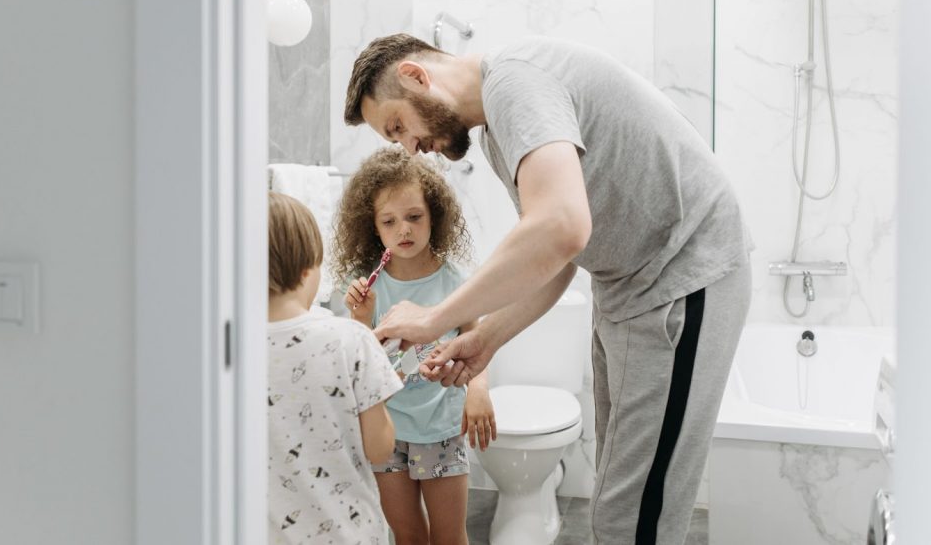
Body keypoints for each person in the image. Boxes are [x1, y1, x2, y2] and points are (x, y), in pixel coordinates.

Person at [342, 34, 753, 544]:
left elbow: (561, 226)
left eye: (399, 126)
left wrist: (432, 319)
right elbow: (556, 256)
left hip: (680, 276)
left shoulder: (514, 84)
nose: (411, 148)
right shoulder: (498, 123)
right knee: (621, 497)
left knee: (634, 513)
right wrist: (486, 338)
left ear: (416, 76)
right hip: (635, 290)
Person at [331, 146, 496, 545]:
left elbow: (476, 343)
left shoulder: (456, 282)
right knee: (406, 535)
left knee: (448, 536)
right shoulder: (367, 284)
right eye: (389, 221)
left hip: (440, 426)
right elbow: (361, 359)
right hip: (387, 430)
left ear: (433, 216)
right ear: (373, 227)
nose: (403, 229)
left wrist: (478, 389)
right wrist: (360, 317)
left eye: (414, 217)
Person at [267, 191, 403, 545]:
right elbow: (380, 448)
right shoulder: (352, 340)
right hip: (349, 533)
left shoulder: (224, 350)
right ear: (308, 270)